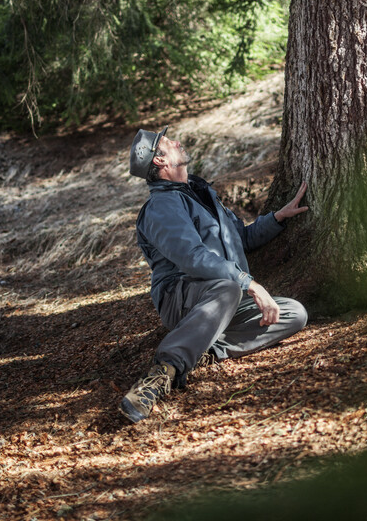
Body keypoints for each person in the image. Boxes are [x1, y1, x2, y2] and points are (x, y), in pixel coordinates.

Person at [120, 125, 309, 423]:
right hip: (185, 298)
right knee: (228, 288)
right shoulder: (161, 206)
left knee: (295, 313)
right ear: (159, 160)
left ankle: (204, 349)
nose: (177, 142)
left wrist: (278, 218)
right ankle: (163, 372)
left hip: (227, 298)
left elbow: (241, 240)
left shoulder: (200, 193)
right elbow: (192, 258)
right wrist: (249, 284)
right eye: (169, 143)